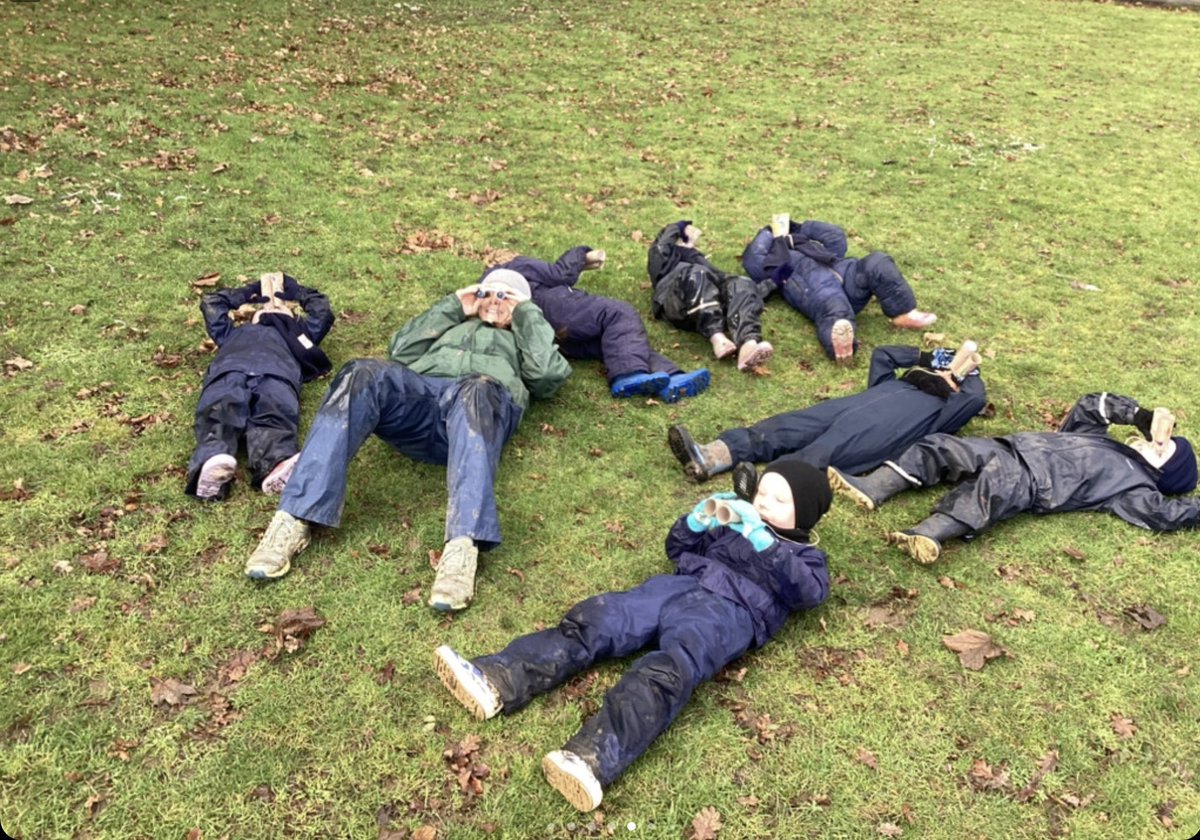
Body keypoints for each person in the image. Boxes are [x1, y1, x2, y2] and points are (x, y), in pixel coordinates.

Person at [432, 459, 831, 812]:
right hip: (676, 587)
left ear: (805, 516)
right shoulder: (734, 524)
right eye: (762, 492)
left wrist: (765, 543)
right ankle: (498, 677)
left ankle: (591, 758)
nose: (762, 503)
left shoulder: (806, 557)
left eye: (779, 501)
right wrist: (695, 522)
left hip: (726, 615)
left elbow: (807, 593)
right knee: (600, 619)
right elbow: (677, 549)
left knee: (666, 672)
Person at [243, 271, 571, 613]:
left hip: (480, 409)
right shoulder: (453, 324)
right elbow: (400, 350)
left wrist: (525, 315)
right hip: (421, 401)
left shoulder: (523, 334)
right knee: (361, 372)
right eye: (489, 292)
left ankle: (462, 546)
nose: (495, 301)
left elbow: (547, 375)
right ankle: (293, 518)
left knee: (477, 387)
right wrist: (455, 306)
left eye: (507, 297)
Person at [828, 393, 1199, 564]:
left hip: (1034, 482)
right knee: (940, 446)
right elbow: (1091, 404)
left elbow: (1167, 515)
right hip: (1007, 446)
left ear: (1165, 472)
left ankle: (927, 534)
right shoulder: (1099, 438)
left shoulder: (1134, 488)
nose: (1156, 444)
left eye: (1165, 451)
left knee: (987, 491)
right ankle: (874, 486)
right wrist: (1138, 414)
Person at [669, 342, 985, 497]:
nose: (941, 374)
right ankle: (710, 457)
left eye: (947, 372)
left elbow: (975, 398)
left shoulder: (942, 411)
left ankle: (757, 492)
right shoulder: (895, 382)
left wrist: (968, 372)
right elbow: (884, 355)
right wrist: (926, 358)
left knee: (816, 456)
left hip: (878, 432)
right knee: (781, 428)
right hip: (843, 409)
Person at [482, 247, 710, 402]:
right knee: (618, 314)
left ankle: (670, 377)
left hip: (547, 338)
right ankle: (628, 375)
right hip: (551, 307)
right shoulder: (516, 266)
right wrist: (581, 252)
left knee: (614, 341)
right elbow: (560, 274)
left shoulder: (484, 289)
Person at [186, 272, 334, 501]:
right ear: (253, 315)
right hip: (230, 371)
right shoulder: (232, 333)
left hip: (277, 377)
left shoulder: (301, 336)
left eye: (283, 309)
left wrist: (297, 292)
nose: (275, 310)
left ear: (293, 317)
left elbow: (323, 312)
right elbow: (211, 303)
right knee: (219, 412)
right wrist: (247, 293)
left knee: (274, 417)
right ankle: (211, 466)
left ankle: (274, 465)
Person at [741, 213, 937, 364]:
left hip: (842, 271)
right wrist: (771, 234)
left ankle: (903, 313)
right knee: (832, 304)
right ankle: (840, 346)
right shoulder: (773, 265)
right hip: (803, 280)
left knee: (877, 263)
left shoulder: (812, 246)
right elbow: (753, 256)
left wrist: (798, 227)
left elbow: (834, 235)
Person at [647, 220, 775, 372]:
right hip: (677, 304)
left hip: (712, 302)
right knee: (697, 274)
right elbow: (661, 245)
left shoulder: (701, 262)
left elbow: (734, 288)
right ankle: (718, 338)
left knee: (741, 282)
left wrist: (772, 283)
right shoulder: (665, 262)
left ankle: (748, 344)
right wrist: (678, 227)